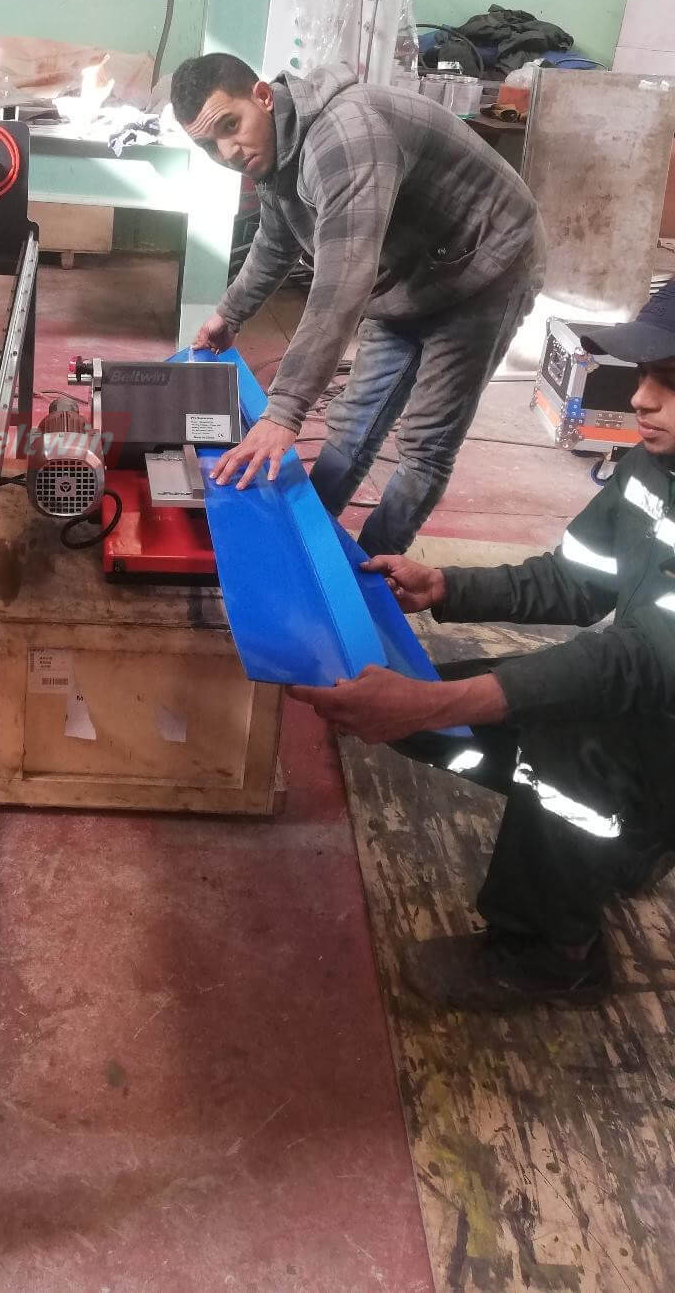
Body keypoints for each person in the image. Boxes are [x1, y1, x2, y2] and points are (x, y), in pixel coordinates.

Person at [289, 280, 675, 1010]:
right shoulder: (655, 466)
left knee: (561, 745)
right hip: (649, 704)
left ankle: (552, 953)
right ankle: (632, 837)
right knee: (435, 723)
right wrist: (445, 586)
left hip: (657, 707)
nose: (641, 399)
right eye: (646, 374)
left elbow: (635, 661)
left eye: (670, 381)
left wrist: (434, 702)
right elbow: (575, 581)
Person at [171, 52, 546, 555]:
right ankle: (310, 544)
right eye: (208, 145)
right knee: (354, 424)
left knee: (424, 443)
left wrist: (283, 411)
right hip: (412, 272)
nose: (227, 152)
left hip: (486, 267)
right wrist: (229, 313)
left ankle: (374, 573)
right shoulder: (274, 148)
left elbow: (341, 283)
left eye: (229, 126)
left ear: (262, 96)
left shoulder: (346, 138)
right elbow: (276, 240)